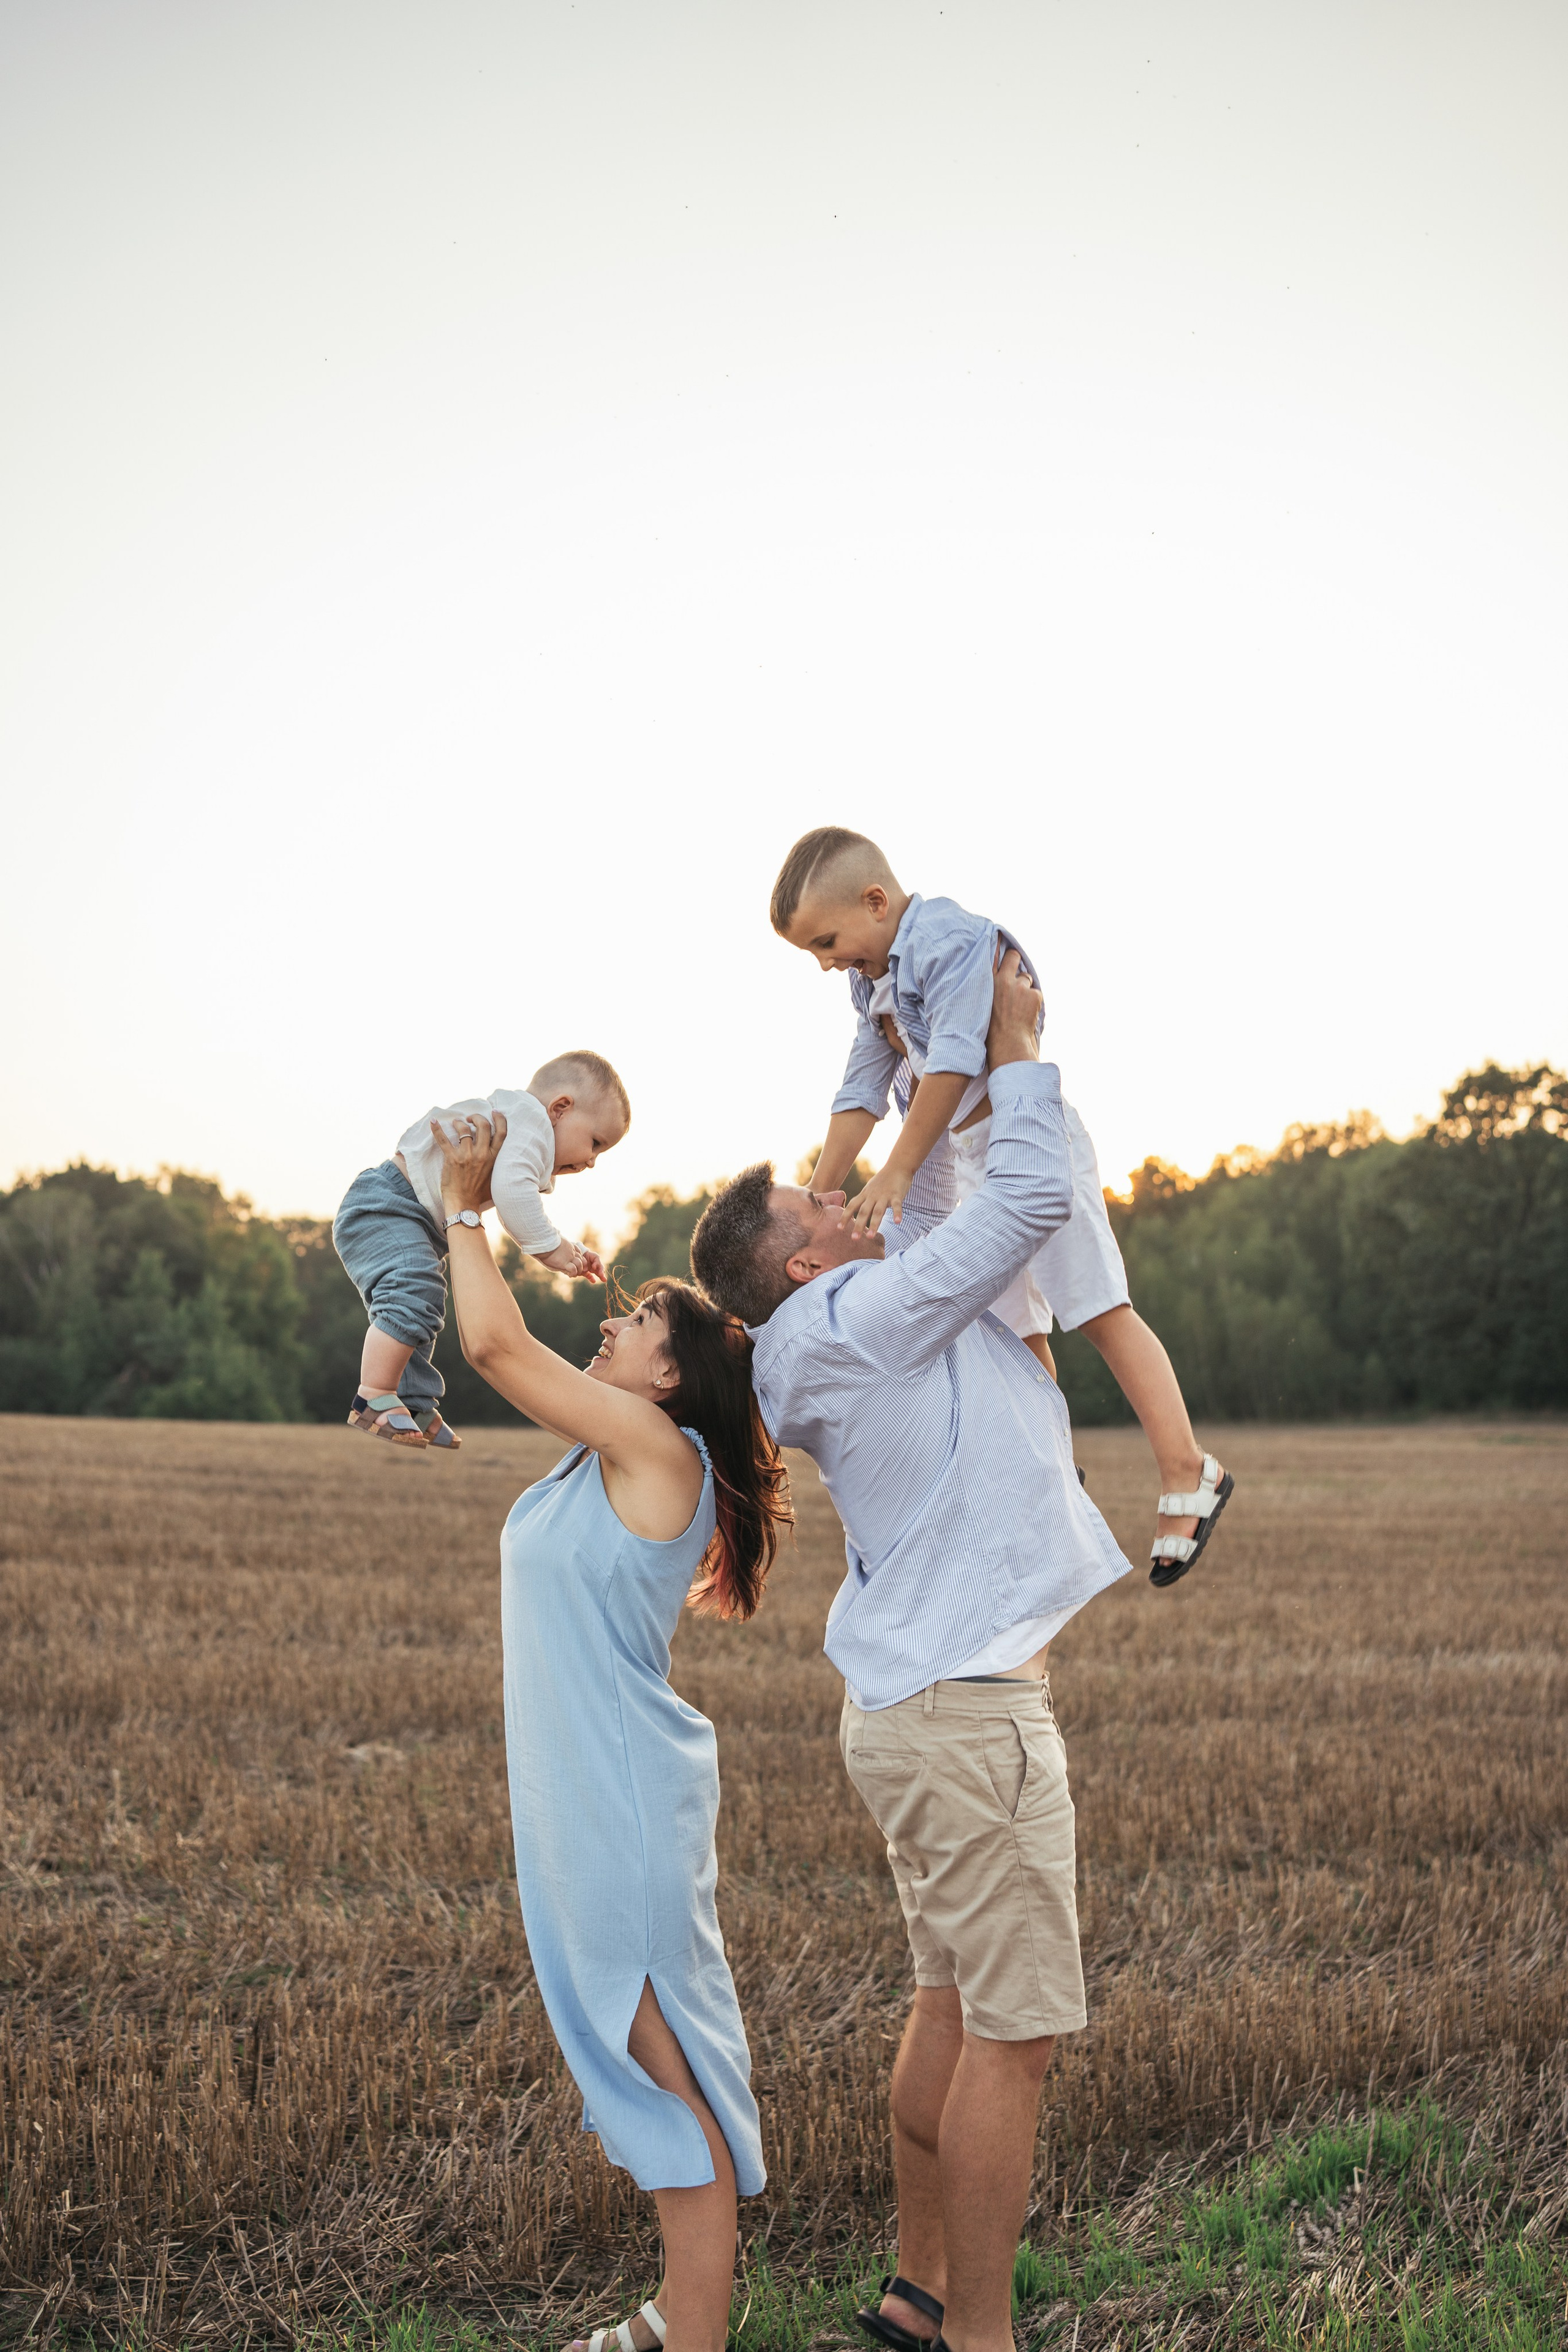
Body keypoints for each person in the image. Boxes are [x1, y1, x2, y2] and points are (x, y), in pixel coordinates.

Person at [689, 954, 1125, 2352]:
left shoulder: (823, 1327)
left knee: (949, 2003)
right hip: (963, 1718)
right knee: (1013, 2035)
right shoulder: (862, 1314)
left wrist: (910, 1046)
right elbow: (1026, 1196)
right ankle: (980, 2337)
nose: (846, 1191)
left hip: (919, 1711)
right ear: (804, 1261)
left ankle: (918, 2290)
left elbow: (936, 1198)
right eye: (820, 1202)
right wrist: (1016, 1043)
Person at [436, 1107, 790, 2352]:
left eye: (635, 1321)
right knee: (640, 2059)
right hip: (583, 1797)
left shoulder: (658, 1451)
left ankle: (693, 2340)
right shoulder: (602, 1454)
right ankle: (672, 2317)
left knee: (660, 2073)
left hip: (621, 1803)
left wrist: (468, 1203)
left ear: (669, 1378)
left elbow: (492, 1342)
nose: (610, 1325)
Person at [771, 827, 1233, 1582]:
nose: (825, 963)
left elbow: (954, 1061)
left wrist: (896, 1170)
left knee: (1097, 1308)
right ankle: (1049, 1471)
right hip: (973, 1162)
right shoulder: (872, 976)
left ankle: (1188, 1468)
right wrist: (819, 1191)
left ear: (877, 901)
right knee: (1015, 1332)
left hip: (1031, 1141)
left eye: (827, 942)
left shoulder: (948, 940)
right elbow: (862, 1087)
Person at [331, 1050, 626, 1452]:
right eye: (595, 1143)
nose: (592, 1162)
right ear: (560, 1109)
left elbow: (514, 1197)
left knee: (425, 1303)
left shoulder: (523, 1127)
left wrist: (568, 1247)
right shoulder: (531, 1123)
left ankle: (412, 1400)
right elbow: (513, 1194)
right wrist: (553, 1249)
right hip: (390, 1206)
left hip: (410, 1214)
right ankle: (374, 1395)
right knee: (414, 1293)